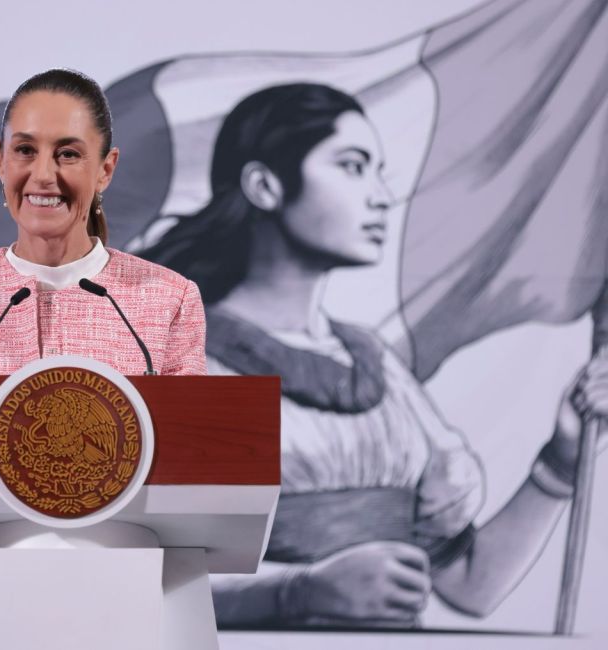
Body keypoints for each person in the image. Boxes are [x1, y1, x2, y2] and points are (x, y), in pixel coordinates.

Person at [140, 83, 608, 627]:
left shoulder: (376, 362)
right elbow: (151, 596)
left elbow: (469, 586)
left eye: (377, 170)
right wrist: (297, 593)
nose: (382, 195)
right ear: (265, 186)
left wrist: (562, 460)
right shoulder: (195, 359)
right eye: (353, 166)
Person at [0, 68, 206, 377]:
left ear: (105, 170)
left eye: (68, 154)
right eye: (25, 150)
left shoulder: (169, 299)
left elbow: (189, 425)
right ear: (1, 161)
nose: (43, 175)